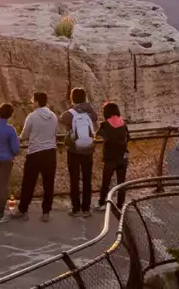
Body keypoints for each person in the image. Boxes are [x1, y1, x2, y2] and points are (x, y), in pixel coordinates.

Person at [13, 92, 57, 221]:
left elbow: (24, 135)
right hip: (50, 152)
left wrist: (18, 139)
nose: (32, 103)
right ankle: (46, 212)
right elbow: (54, 133)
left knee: (28, 183)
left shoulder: (32, 117)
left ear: (37, 102)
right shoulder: (53, 116)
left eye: (33, 101)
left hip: (35, 153)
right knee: (48, 183)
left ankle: (23, 209)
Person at [60, 88, 98, 218]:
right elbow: (95, 120)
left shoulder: (70, 113)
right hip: (88, 149)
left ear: (72, 98)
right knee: (87, 179)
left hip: (74, 150)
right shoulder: (91, 112)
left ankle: (75, 208)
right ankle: (86, 209)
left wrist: (73, 109)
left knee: (74, 179)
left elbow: (62, 119)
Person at [97, 101, 129, 207]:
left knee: (106, 182)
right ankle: (120, 205)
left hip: (110, 157)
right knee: (121, 183)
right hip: (123, 157)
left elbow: (97, 136)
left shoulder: (105, 125)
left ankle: (102, 203)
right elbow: (128, 138)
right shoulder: (123, 123)